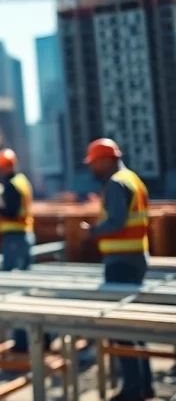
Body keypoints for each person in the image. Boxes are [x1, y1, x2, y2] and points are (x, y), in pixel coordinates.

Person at [79, 138, 154, 401]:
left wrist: (93, 231)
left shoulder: (116, 183)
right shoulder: (132, 178)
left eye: (94, 162)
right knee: (134, 327)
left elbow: (118, 222)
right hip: (136, 257)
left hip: (121, 261)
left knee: (121, 330)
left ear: (106, 159)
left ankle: (133, 390)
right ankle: (145, 386)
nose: (92, 168)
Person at [0, 148, 37, 354]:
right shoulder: (23, 182)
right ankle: (37, 336)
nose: (0, 172)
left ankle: (22, 342)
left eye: (1, 168)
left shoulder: (11, 185)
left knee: (14, 290)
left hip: (14, 240)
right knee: (26, 288)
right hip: (25, 236)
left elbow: (12, 211)